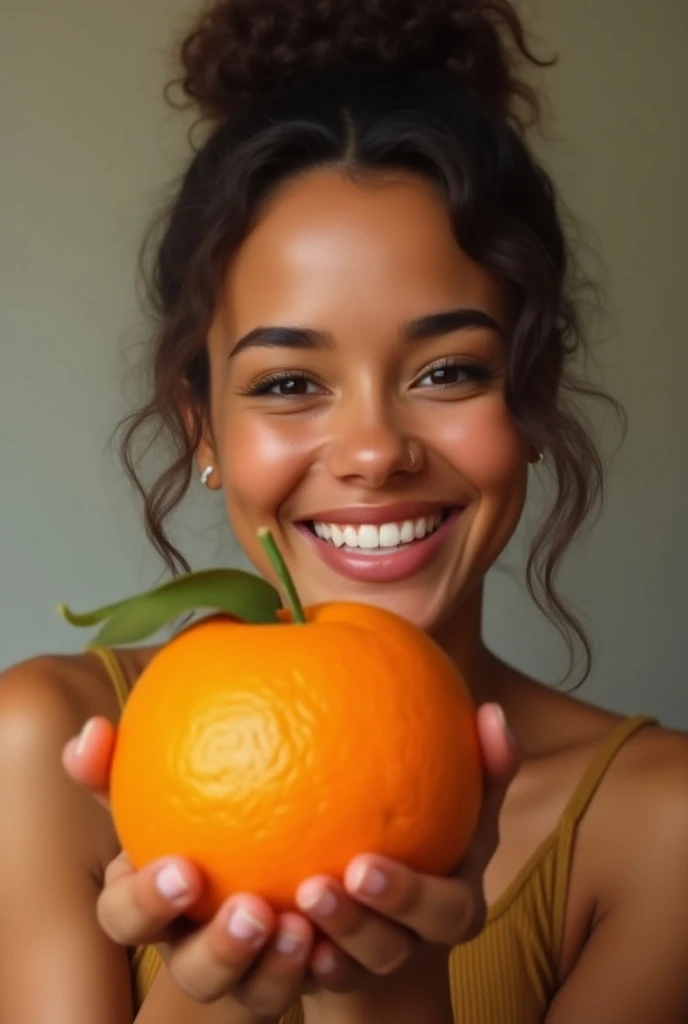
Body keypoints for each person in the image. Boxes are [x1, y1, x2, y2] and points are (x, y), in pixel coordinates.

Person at [1, 0, 687, 1021]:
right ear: (204, 429)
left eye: (448, 370)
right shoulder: (51, 748)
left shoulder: (659, 825)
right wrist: (219, 986)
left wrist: (392, 992)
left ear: (530, 404)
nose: (373, 451)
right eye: (287, 383)